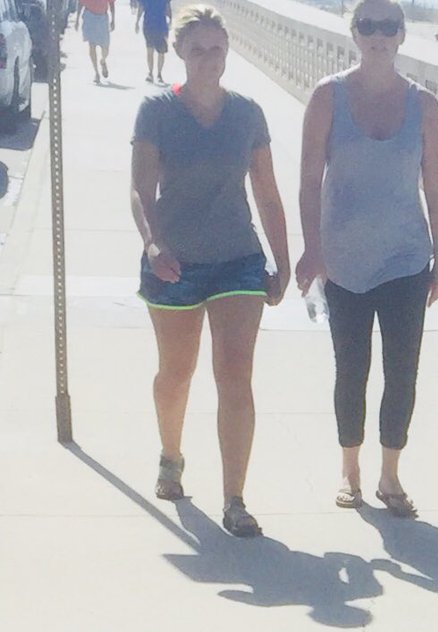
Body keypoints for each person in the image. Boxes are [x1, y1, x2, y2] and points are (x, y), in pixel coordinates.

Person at [130, 4, 289, 536]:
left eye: (216, 49)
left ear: (227, 52)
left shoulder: (247, 113)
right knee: (176, 375)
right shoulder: (156, 111)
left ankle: (235, 499)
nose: (208, 59)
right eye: (197, 50)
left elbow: (266, 191)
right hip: (174, 261)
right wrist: (153, 245)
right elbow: (140, 188)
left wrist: (282, 260)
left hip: (238, 260)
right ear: (179, 53)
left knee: (235, 375)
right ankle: (171, 456)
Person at [295, 0, 438, 518]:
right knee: (351, 369)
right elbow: (308, 180)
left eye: (388, 26)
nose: (378, 35)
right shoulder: (327, 97)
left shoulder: (424, 105)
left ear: (403, 35)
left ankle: (390, 475)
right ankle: (350, 468)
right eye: (368, 25)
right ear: (354, 34)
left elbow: (437, 188)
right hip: (343, 260)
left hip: (407, 258)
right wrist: (312, 249)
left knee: (403, 370)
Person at [74, 0, 114, 84]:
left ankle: (103, 60)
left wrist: (113, 19)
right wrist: (77, 19)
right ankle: (96, 73)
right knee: (92, 45)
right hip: (89, 16)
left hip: (102, 17)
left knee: (105, 47)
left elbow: (111, 3)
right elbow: (80, 3)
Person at [135, 0, 171, 84]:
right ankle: (150, 73)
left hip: (160, 25)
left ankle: (159, 74)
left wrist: (170, 19)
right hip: (149, 24)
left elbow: (167, 7)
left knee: (161, 51)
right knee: (150, 50)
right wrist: (137, 21)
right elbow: (141, 7)